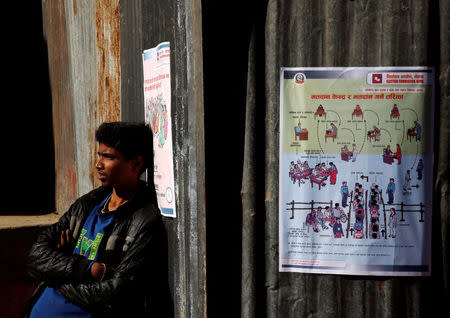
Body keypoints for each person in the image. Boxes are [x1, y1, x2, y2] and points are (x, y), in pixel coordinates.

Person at [23, 122, 172, 318]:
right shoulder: (88, 203)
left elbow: (113, 295)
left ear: (135, 164)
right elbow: (35, 257)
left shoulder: (143, 222)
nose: (98, 164)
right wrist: (88, 269)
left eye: (108, 157)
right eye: (99, 155)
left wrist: (55, 275)